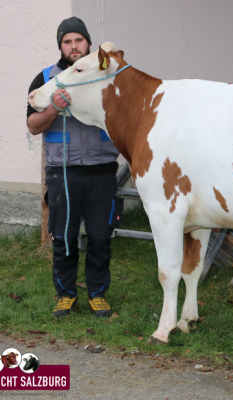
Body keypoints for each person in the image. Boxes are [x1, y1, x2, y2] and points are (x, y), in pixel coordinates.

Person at [27, 17, 123, 318]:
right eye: (67, 41)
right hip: (63, 172)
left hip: (102, 168)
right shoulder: (45, 78)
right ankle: (66, 295)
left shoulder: (109, 75)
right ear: (61, 46)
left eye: (78, 40)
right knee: (63, 238)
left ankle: (97, 294)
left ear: (88, 43)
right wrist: (54, 106)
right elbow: (32, 126)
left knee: (100, 237)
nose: (73, 46)